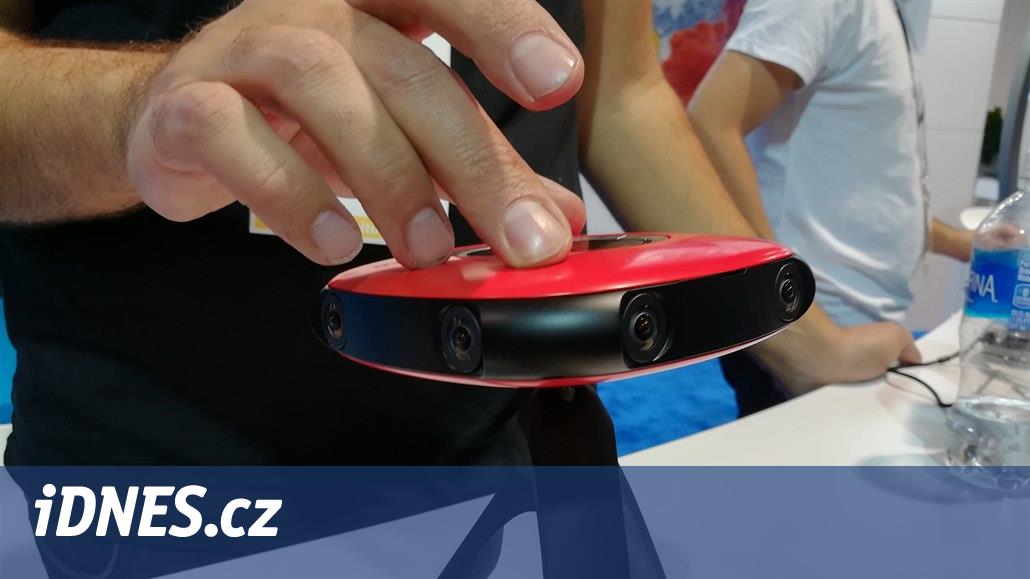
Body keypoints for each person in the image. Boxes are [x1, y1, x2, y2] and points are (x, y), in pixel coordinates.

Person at [0, 0, 918, 467]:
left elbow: (620, 90)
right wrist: (138, 110)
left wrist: (801, 342)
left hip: (526, 454)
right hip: (164, 471)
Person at [686, 0, 970, 415]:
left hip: (849, 322)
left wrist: (967, 243)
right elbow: (710, 124)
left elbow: (871, 191)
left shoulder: (885, 12)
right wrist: (783, 309)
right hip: (815, 317)